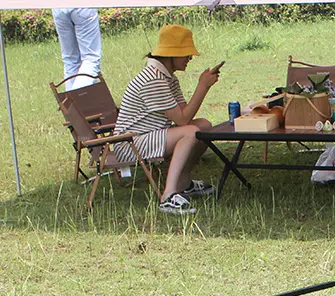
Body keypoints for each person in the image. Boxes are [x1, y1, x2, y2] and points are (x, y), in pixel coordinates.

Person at [112, 25, 220, 215]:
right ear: (171, 54)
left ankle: (183, 184)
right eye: (186, 53)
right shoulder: (153, 78)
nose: (190, 58)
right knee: (191, 132)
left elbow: (186, 115)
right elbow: (182, 120)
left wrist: (203, 86)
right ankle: (168, 196)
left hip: (146, 137)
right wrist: (203, 86)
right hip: (130, 143)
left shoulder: (167, 77)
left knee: (203, 126)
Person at [52, 8, 102, 91]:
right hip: (82, 7)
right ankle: (77, 99)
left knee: (70, 60)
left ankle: (70, 101)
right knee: (91, 59)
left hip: (58, 7)